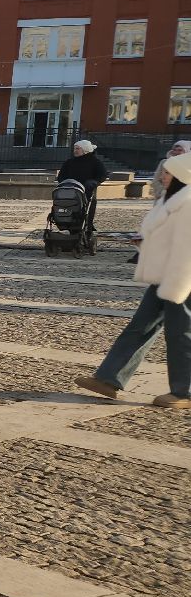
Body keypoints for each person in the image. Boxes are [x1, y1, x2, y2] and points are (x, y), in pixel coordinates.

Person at [77, 153, 191, 408]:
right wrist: (144, 243)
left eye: (168, 172)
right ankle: (109, 378)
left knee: (181, 333)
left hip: (182, 278)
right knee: (140, 327)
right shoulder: (172, 200)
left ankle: (184, 392)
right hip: (164, 274)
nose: (162, 175)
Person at [57, 139, 111, 232]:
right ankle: (70, 223)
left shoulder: (95, 162)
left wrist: (94, 182)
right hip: (71, 190)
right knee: (70, 206)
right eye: (74, 149)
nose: (75, 151)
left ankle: (88, 225)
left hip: (88, 190)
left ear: (85, 150)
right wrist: (64, 182)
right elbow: (61, 176)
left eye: (78, 149)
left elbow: (102, 175)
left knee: (88, 208)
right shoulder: (69, 162)